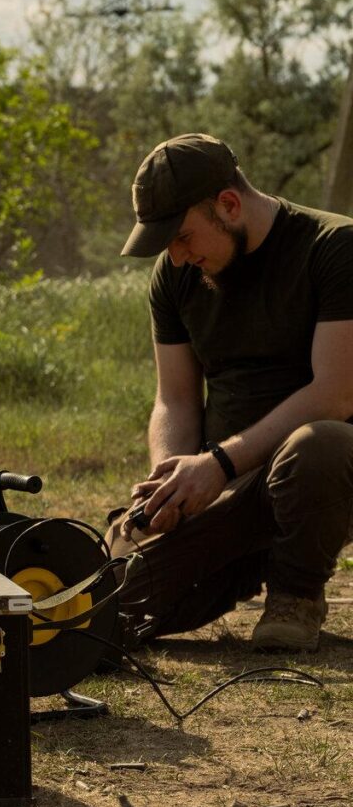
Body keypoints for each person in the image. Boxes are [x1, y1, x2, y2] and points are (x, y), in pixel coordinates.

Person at [111, 133, 353, 652]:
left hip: (325, 481)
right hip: (231, 489)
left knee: (319, 444)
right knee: (114, 602)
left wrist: (217, 464)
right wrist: (172, 482)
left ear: (228, 204)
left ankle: (296, 594)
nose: (176, 257)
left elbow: (335, 394)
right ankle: (245, 553)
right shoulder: (176, 276)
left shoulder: (335, 248)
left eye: (181, 236)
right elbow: (174, 398)